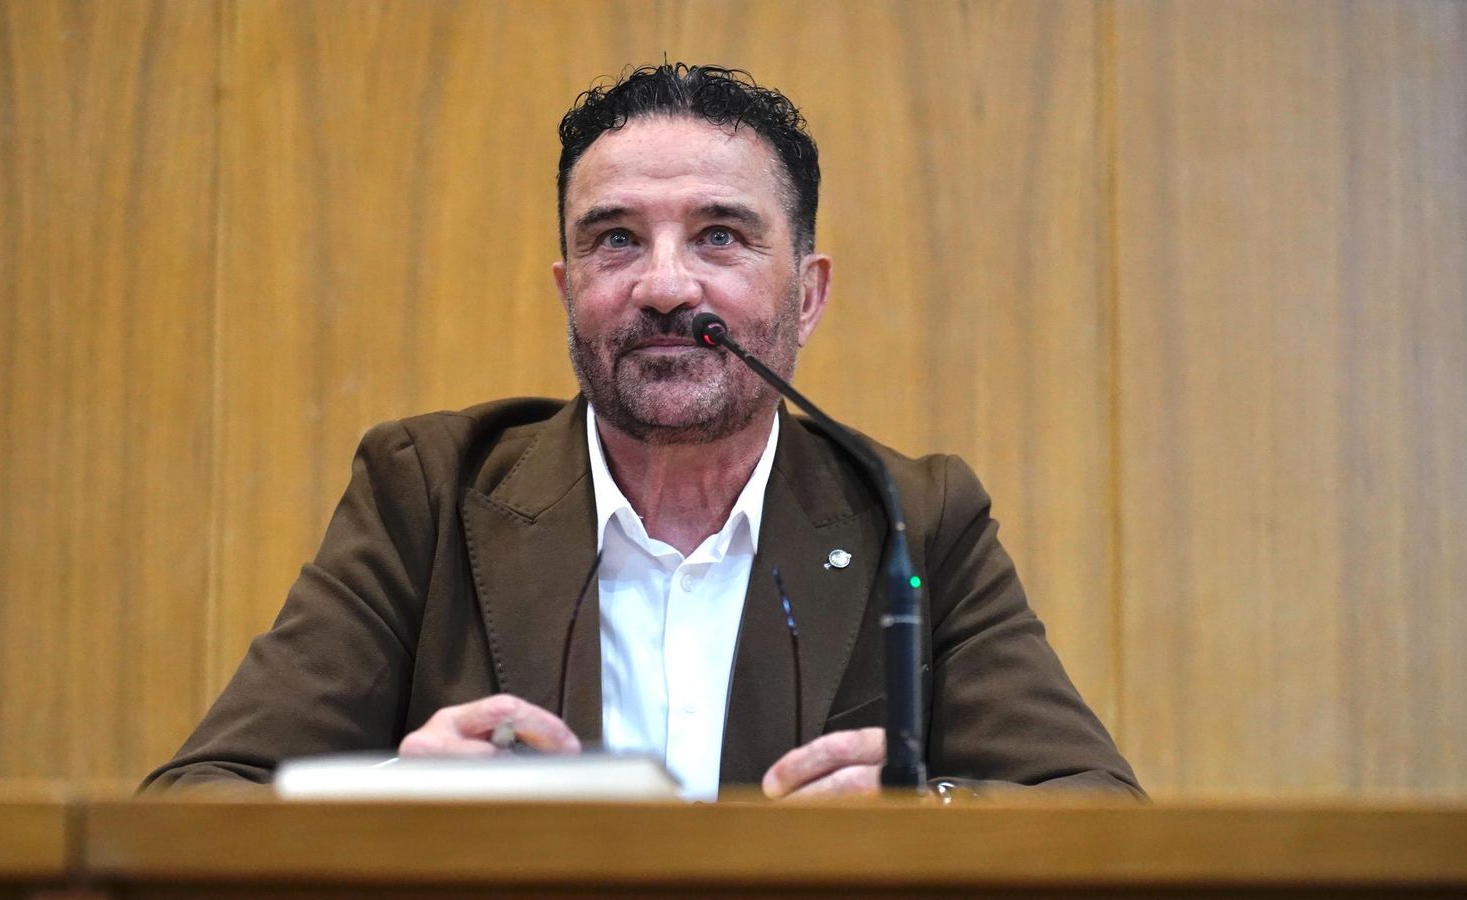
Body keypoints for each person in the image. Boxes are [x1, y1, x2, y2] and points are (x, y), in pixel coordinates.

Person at [144, 63, 1141, 801]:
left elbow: (1095, 809)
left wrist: (931, 811)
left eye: (720, 235)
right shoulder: (429, 492)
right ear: (567, 288)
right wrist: (392, 795)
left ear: (807, 295)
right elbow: (199, 798)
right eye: (615, 238)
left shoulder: (913, 518)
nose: (664, 285)